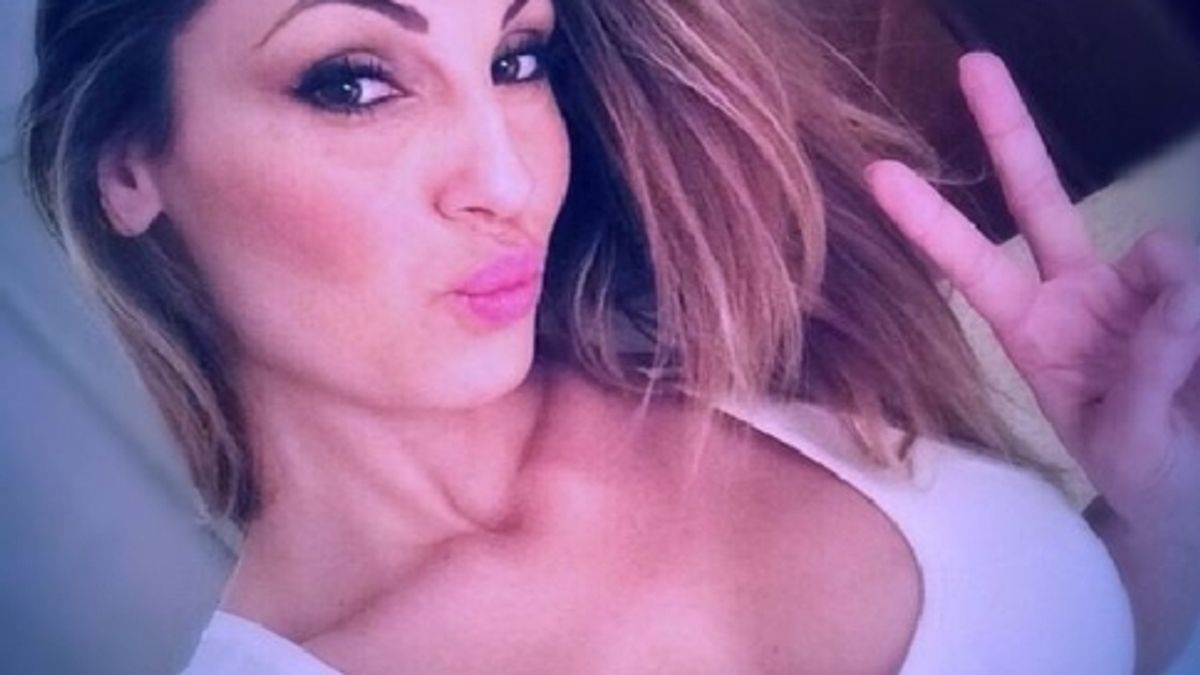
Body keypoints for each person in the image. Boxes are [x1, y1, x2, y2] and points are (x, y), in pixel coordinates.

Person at [18, 0, 1199, 672]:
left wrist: (1159, 509)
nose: (506, 178)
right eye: (354, 82)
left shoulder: (732, 329)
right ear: (130, 165)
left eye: (516, 58)